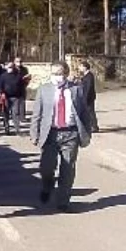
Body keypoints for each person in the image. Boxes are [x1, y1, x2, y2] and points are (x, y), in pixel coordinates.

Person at [29, 62, 94, 212]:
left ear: (66, 73)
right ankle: (47, 185)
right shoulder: (44, 90)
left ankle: (63, 201)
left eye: (59, 73)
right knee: (46, 167)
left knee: (68, 168)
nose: (56, 76)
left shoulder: (76, 89)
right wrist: (34, 133)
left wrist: (87, 132)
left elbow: (84, 112)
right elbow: (37, 114)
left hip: (70, 134)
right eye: (54, 73)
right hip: (50, 134)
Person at [0, 63, 26, 136]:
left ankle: (17, 129)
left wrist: (22, 95)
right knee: (6, 113)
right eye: (8, 67)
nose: (9, 68)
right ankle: (7, 128)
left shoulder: (18, 76)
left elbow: (22, 86)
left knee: (15, 113)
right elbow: (0, 85)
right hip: (6, 97)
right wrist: (1, 92)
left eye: (11, 67)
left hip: (16, 97)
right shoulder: (3, 76)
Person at [77, 61, 100, 134]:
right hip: (86, 97)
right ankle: (91, 126)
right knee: (88, 112)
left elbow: (88, 88)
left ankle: (94, 126)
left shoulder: (89, 76)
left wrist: (85, 98)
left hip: (89, 97)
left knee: (90, 112)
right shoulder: (85, 76)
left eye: (80, 66)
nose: (79, 68)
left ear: (85, 67)